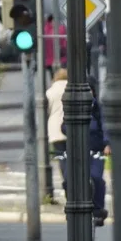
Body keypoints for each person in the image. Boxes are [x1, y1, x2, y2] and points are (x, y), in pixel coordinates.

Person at [60, 76, 110, 224]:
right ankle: (71, 206)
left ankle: (98, 209)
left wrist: (107, 144)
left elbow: (106, 127)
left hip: (95, 150)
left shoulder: (98, 109)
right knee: (69, 178)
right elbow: (64, 127)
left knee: (96, 177)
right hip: (75, 150)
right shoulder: (72, 106)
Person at [46, 68, 68, 187]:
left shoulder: (50, 92)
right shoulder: (73, 88)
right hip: (72, 128)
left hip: (55, 130)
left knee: (61, 157)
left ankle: (66, 181)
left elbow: (46, 110)